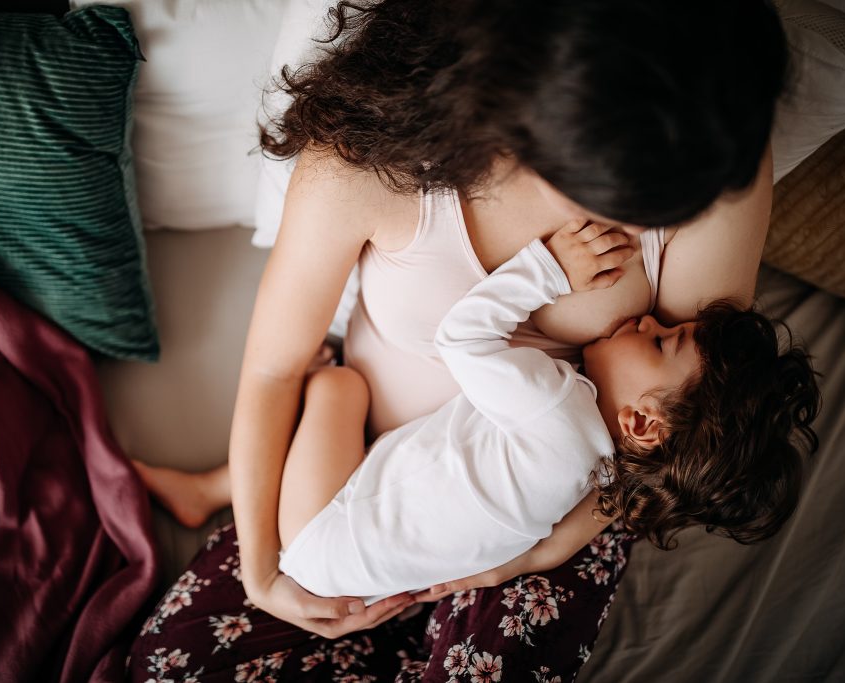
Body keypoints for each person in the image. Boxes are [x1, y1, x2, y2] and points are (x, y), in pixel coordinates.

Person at [128, 1, 792, 680]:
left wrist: (537, 553)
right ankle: (222, 496)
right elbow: (274, 368)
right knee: (172, 665)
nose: (637, 221)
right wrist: (264, 570)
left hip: (558, 508)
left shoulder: (713, 140)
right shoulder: (365, 166)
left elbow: (686, 420)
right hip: (366, 477)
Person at [274, 223, 819, 605]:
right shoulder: (599, 469)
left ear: (641, 422)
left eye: (659, 342)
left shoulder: (557, 408)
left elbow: (461, 337)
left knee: (340, 385)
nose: (649, 322)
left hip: (319, 530)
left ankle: (297, 405)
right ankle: (218, 487)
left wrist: (549, 269)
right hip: (358, 578)